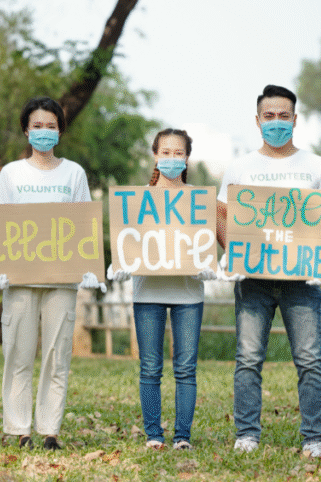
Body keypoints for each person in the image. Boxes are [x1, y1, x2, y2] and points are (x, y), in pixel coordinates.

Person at [216, 85, 321, 458]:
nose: (276, 123)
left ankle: (314, 437)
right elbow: (223, 216)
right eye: (268, 116)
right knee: (248, 358)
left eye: (283, 116)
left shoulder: (316, 166)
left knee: (309, 359)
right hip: (252, 280)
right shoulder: (240, 167)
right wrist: (230, 253)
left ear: (295, 119)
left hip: (302, 280)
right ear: (257, 121)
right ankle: (247, 434)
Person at [0, 96, 105, 451]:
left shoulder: (74, 173)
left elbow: (84, 224)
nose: (44, 132)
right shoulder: (11, 173)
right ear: (25, 130)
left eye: (50, 126)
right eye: (37, 126)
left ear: (60, 131)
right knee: (18, 355)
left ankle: (50, 429)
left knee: (57, 354)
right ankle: (20, 429)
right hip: (19, 281)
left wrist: (89, 270)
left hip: (61, 281)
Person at [108, 129, 215, 451]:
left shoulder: (199, 199)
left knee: (185, 369)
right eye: (165, 153)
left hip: (189, 295)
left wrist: (210, 264)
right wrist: (120, 263)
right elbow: (126, 241)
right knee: (150, 368)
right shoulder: (136, 200)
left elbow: (206, 244)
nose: (171, 158)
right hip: (147, 293)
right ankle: (154, 435)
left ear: (187, 158)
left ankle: (183, 436)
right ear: (155, 156)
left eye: (177, 153)